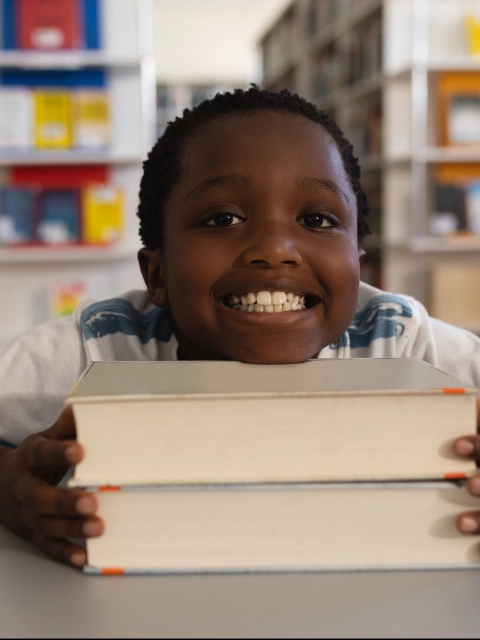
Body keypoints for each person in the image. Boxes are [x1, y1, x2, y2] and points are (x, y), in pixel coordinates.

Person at [1, 86, 480, 568]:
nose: (275, 249)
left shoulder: (399, 338)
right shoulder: (96, 348)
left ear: (359, 266)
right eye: (222, 218)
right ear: (158, 274)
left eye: (316, 219)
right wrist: (10, 491)